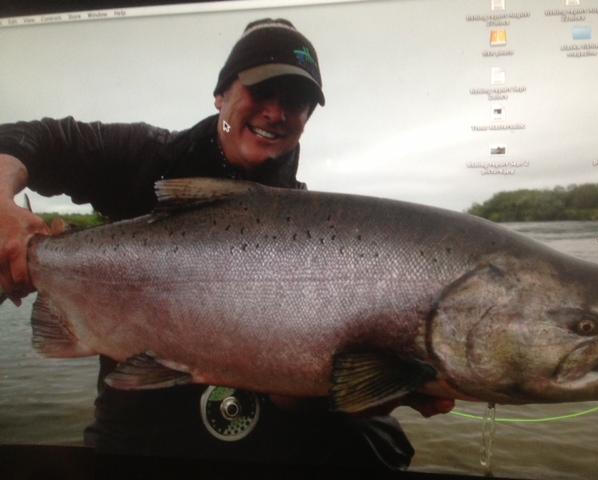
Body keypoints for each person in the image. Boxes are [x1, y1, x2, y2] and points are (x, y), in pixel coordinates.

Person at [0, 18, 453, 470]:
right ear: (221, 95)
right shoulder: (146, 155)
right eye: (261, 90)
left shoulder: (307, 225)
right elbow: (31, 139)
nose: (276, 112)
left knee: (378, 445)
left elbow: (292, 393)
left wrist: (368, 390)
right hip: (141, 423)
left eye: (295, 101)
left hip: (257, 428)